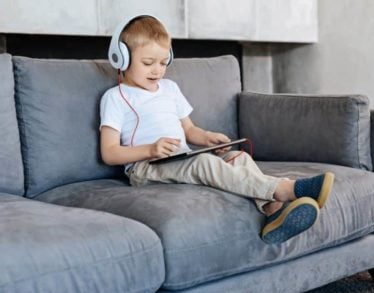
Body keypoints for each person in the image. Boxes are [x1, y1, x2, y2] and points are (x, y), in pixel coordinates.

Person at [99, 15, 335, 244]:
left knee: (236, 157)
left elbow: (190, 130)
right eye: (148, 63)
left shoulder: (169, 88)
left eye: (163, 63)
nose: (157, 71)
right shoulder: (116, 98)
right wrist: (150, 149)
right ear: (122, 58)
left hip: (179, 159)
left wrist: (207, 138)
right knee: (204, 163)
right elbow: (109, 153)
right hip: (145, 168)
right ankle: (285, 188)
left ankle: (273, 212)